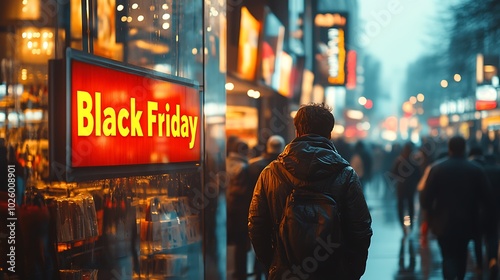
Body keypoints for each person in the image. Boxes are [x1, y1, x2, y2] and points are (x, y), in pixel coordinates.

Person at [248, 103, 373, 279]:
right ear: (329, 134)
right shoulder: (346, 175)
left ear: (297, 131)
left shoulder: (270, 173)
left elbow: (256, 225)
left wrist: (274, 264)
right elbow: (361, 229)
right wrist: (351, 271)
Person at [420, 135, 494, 280]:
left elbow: (425, 199)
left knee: (447, 256)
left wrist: (430, 217)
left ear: (449, 149)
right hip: (467, 221)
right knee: (461, 254)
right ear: (464, 149)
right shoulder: (476, 170)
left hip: (442, 223)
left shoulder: (437, 169)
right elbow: (487, 199)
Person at [247, 135, 286, 280]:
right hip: (279, 219)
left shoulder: (254, 165)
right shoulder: (286, 168)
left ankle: (259, 273)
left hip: (258, 213)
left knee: (258, 248)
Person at [226, 137, 252, 280]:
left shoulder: (225, 163)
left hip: (225, 207)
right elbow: (240, 190)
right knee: (241, 242)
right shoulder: (243, 167)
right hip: (239, 209)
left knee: (228, 239)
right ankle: (239, 272)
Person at [390, 141, 421, 234]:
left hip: (401, 186)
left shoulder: (399, 160)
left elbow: (393, 173)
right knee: (410, 204)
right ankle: (411, 224)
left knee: (401, 205)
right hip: (411, 186)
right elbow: (418, 174)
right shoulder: (414, 161)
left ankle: (402, 225)